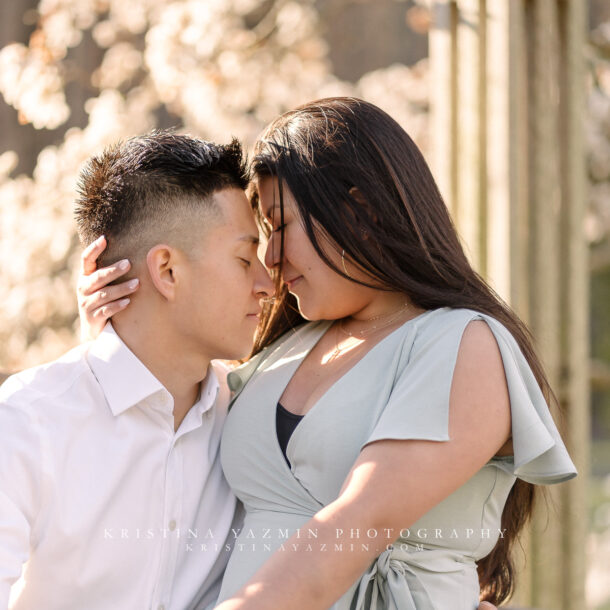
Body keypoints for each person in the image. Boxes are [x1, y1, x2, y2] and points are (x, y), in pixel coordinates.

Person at [78, 99, 576, 609]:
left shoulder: (465, 343)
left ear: (358, 211)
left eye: (279, 226)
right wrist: (122, 332)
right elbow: (171, 433)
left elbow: (359, 523)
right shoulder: (282, 352)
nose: (269, 258)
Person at [0, 132, 274, 609]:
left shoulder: (251, 417)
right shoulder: (31, 422)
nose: (266, 284)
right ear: (166, 271)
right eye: (244, 258)